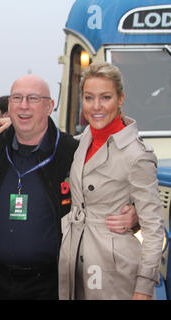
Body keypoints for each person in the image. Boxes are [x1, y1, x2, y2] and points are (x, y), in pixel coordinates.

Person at [0, 74, 138, 300]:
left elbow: (114, 187)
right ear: (9, 106)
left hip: (50, 285)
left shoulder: (74, 152)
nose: (24, 105)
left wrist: (135, 215)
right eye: (17, 98)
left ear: (50, 106)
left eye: (33, 98)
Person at [58, 62, 164, 300]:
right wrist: (11, 124)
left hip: (116, 276)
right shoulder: (80, 142)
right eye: (89, 97)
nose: (96, 107)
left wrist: (144, 289)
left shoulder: (137, 155)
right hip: (75, 263)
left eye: (105, 97)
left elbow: (154, 229)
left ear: (120, 99)